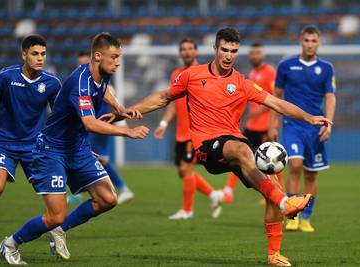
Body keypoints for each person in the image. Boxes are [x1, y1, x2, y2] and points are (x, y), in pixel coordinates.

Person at [108, 27, 332, 266]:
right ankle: (286, 202)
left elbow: (276, 103)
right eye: (224, 50)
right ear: (215, 49)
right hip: (207, 145)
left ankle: (274, 253)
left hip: (233, 141)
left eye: (234, 51)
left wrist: (308, 117)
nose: (228, 55)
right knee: (243, 151)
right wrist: (124, 114)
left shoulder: (242, 83)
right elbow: (162, 98)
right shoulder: (192, 75)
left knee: (270, 185)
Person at [0, 32, 149, 264]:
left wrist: (120, 107)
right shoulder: (80, 82)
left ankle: (59, 230)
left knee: (108, 199)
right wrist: (127, 131)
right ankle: (10, 244)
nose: (118, 62)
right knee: (56, 215)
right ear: (98, 56)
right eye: (114, 57)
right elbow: (90, 123)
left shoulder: (102, 73)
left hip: (77, 149)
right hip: (52, 151)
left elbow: (105, 90)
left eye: (119, 57)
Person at [0, 35, 61, 256]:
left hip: (34, 146)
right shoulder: (6, 76)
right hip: (4, 143)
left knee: (49, 195)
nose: (40, 58)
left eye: (43, 54)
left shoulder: (52, 83)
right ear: (24, 55)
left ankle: (54, 233)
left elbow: (59, 117)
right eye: (35, 54)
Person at [268, 25, 336, 233]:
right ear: (301, 41)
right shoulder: (286, 65)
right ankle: (292, 215)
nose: (309, 44)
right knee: (295, 165)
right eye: (306, 40)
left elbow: (330, 97)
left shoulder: (326, 68)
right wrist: (273, 123)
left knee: (311, 174)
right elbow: (275, 96)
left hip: (315, 128)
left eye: (313, 41)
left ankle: (306, 216)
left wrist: (328, 123)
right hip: (293, 125)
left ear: (319, 43)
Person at [154, 38, 225, 220]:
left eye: (190, 48)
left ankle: (187, 210)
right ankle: (213, 194)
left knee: (186, 170)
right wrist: (163, 123)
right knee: (183, 172)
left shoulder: (203, 74)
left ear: (196, 51)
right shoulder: (176, 74)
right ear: (180, 52)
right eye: (183, 49)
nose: (186, 52)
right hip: (180, 132)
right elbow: (172, 102)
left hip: (195, 132)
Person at [67, 51, 134, 206]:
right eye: (79, 63)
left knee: (99, 159)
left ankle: (123, 188)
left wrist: (121, 120)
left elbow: (111, 97)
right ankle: (80, 193)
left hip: (98, 125)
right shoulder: (80, 82)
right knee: (91, 158)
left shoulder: (102, 83)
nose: (82, 66)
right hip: (88, 125)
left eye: (84, 62)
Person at [223, 42, 283, 204]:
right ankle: (229, 189)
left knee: (272, 159)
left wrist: (270, 124)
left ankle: (278, 191)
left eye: (257, 53)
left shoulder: (270, 72)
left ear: (263, 55)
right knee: (241, 156)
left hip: (265, 125)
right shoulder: (252, 73)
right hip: (252, 125)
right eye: (252, 53)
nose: (254, 56)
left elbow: (274, 98)